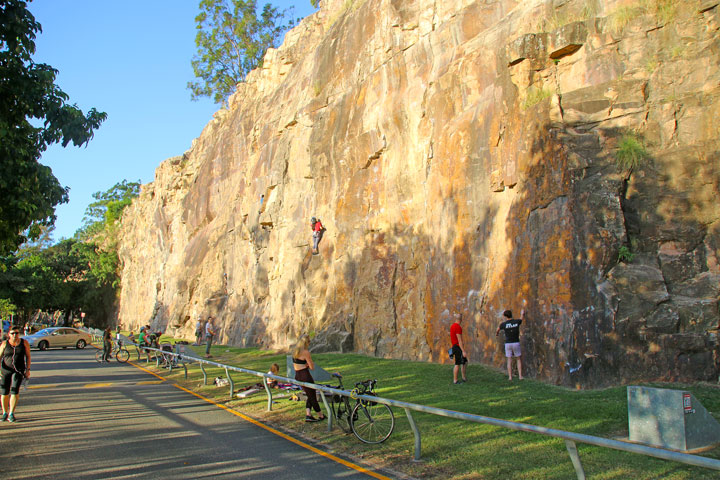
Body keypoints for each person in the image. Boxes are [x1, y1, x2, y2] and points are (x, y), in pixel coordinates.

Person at [292, 335, 326, 422]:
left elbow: (295, 364)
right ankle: (321, 415)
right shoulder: (305, 352)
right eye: (309, 342)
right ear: (306, 343)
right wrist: (308, 364)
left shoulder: (295, 351)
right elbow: (312, 367)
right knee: (312, 395)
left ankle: (308, 414)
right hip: (305, 375)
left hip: (297, 375)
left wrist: (304, 364)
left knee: (309, 394)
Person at [0, 326, 31, 422]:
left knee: (15, 390)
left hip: (18, 370)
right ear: (9, 334)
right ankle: (5, 412)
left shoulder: (24, 343)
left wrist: (28, 369)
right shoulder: (5, 344)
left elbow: (28, 356)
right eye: (12, 333)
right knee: (4, 392)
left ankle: (11, 413)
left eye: (17, 333)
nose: (15, 335)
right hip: (6, 370)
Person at [496, 309, 526, 381]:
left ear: (506, 316)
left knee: (509, 360)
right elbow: (521, 319)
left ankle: (510, 377)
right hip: (516, 342)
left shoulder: (504, 324)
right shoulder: (516, 322)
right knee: (518, 359)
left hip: (508, 344)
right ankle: (520, 376)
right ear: (511, 314)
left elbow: (498, 329)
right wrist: (522, 313)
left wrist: (497, 334)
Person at [450, 312, 468, 384]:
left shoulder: (452, 326)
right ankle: (455, 380)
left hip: (455, 346)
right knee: (457, 364)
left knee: (465, 362)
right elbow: (459, 340)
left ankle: (463, 377)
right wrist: (463, 351)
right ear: (461, 319)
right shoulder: (458, 327)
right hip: (457, 347)